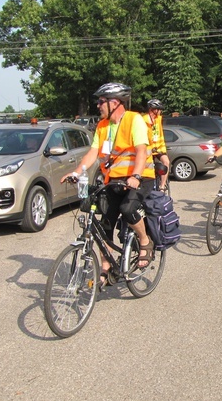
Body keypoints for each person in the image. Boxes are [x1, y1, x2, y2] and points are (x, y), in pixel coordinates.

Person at [60, 82, 156, 279]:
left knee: (127, 209)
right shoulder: (103, 126)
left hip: (141, 177)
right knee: (105, 222)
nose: (98, 105)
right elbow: (93, 152)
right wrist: (77, 172)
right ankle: (106, 266)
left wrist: (136, 176)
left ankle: (145, 240)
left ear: (115, 102)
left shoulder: (133, 119)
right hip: (114, 180)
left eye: (101, 101)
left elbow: (140, 151)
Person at [143, 98, 171, 190]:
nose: (160, 112)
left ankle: (162, 186)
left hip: (159, 148)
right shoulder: (144, 120)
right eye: (159, 110)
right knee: (147, 167)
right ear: (153, 110)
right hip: (148, 150)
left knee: (166, 162)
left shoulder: (159, 119)